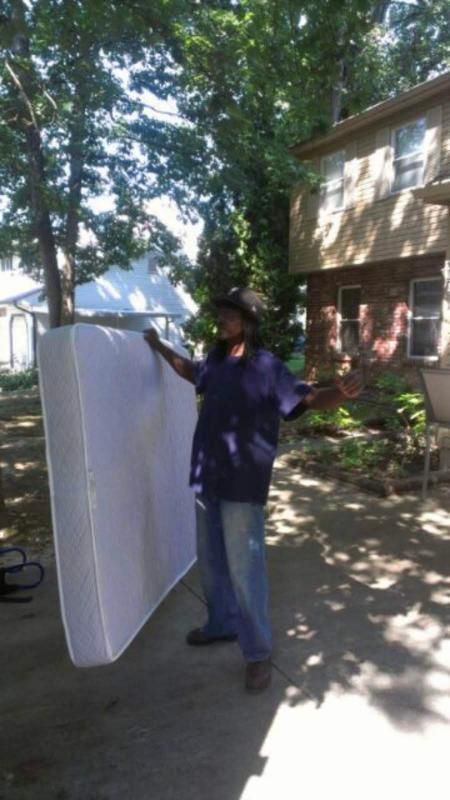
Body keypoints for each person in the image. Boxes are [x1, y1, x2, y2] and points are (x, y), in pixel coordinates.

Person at [144, 287, 363, 693]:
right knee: (210, 563)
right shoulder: (214, 360)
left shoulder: (267, 367)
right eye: (222, 311)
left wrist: (340, 394)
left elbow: (310, 400)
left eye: (231, 313)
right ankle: (221, 624)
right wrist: (157, 345)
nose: (223, 318)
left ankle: (258, 652)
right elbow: (189, 371)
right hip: (206, 474)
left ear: (249, 322)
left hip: (243, 483)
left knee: (246, 571)